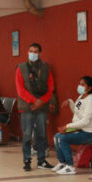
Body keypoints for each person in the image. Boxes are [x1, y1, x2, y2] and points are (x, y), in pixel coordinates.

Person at [15, 42, 54, 171]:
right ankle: (27, 160)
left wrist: (41, 101)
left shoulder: (46, 68)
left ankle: (41, 160)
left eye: (35, 51)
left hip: (41, 107)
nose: (33, 53)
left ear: (40, 53)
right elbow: (20, 89)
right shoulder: (21, 68)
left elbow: (50, 87)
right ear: (27, 52)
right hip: (27, 107)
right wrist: (33, 101)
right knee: (27, 135)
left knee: (42, 134)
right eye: (31, 51)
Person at [51, 76, 92, 175]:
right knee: (57, 136)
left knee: (63, 139)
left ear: (89, 88)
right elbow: (76, 111)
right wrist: (70, 102)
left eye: (83, 84)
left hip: (89, 134)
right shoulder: (81, 97)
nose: (80, 86)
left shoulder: (91, 100)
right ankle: (62, 162)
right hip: (81, 130)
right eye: (79, 84)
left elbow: (85, 121)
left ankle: (70, 166)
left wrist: (68, 126)